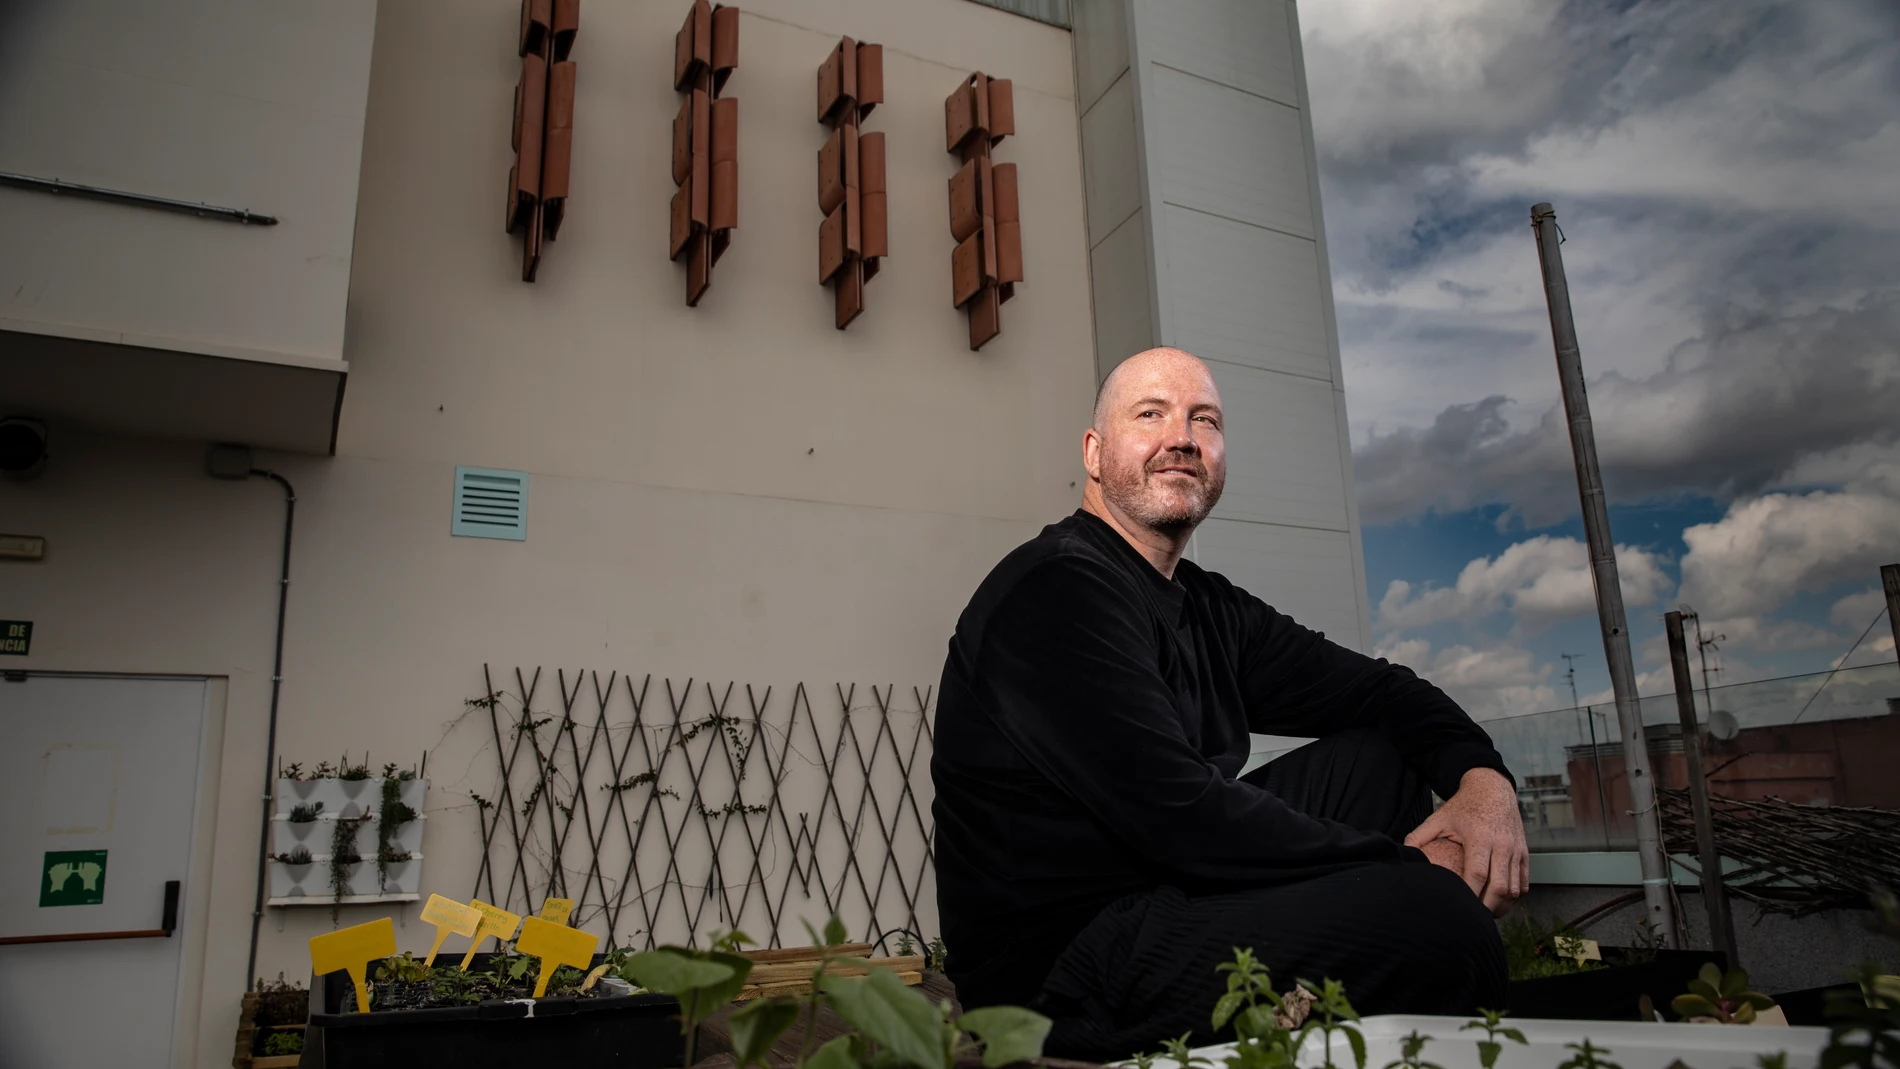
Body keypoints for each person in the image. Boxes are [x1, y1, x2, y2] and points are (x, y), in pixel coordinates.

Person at [931, 347, 1527, 1061]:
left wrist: (1483, 780)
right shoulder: (1057, 590)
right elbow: (1182, 814)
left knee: (1381, 756)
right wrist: (1402, 867)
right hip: (1061, 972)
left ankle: (1337, 992)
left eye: (1203, 419)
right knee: (1444, 925)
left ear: (1218, 454)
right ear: (1094, 453)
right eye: (1150, 414)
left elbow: (1380, 689)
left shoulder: (1207, 605)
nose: (1180, 435)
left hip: (1164, 895)